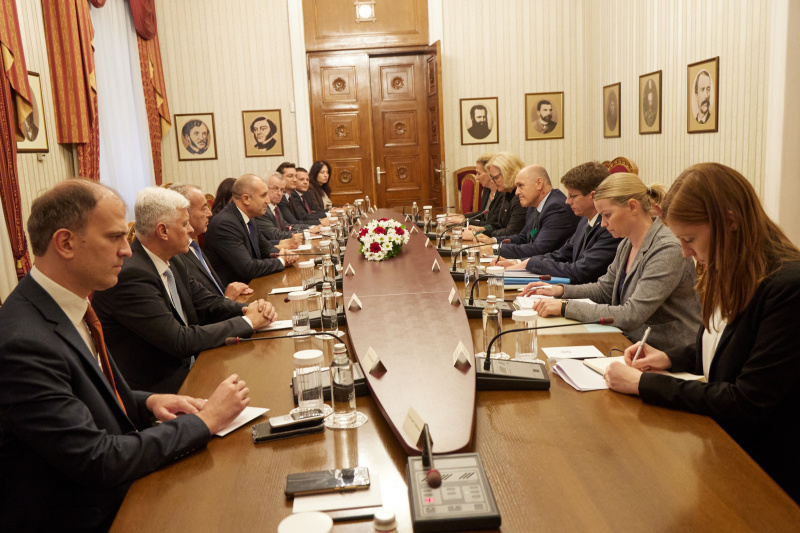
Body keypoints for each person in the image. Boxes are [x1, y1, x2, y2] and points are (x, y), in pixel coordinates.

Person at [0, 179, 250, 531]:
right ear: (66, 243)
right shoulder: (23, 342)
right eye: (115, 237)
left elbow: (87, 393)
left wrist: (147, 402)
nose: (127, 250)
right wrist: (205, 422)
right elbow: (98, 459)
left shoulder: (66, 305)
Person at [604, 163, 800, 504]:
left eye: (690, 239)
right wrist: (668, 357)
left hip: (766, 470)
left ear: (730, 222)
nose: (684, 252)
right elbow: (723, 346)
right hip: (721, 445)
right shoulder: (725, 265)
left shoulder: (787, 287)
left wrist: (643, 385)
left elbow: (747, 401)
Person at [92, 187, 276, 393]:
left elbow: (208, 302)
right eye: (184, 224)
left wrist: (249, 309)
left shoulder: (175, 259)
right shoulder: (130, 275)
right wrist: (249, 322)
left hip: (193, 367)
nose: (190, 230)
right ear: (163, 231)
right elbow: (180, 340)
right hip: (160, 390)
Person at [527, 172, 701, 355]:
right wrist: (560, 291)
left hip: (670, 354)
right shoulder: (627, 243)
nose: (602, 224)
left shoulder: (667, 249)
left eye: (607, 215)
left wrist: (565, 307)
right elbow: (605, 289)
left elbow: (631, 315)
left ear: (632, 206)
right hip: (632, 343)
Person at [506, 161, 622, 283]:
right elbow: (562, 255)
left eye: (573, 196)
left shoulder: (609, 228)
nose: (567, 201)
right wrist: (522, 262)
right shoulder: (584, 220)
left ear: (592, 196)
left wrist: (532, 263)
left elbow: (580, 272)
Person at [204, 174, 298, 285]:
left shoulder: (249, 217)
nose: (268, 201)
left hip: (254, 283)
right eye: (263, 196)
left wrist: (283, 254)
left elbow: (265, 249)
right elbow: (247, 268)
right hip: (237, 292)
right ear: (246, 199)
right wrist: (282, 261)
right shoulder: (225, 224)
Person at [169, 184, 254, 299]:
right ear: (185, 213)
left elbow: (210, 290)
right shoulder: (176, 253)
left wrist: (231, 291)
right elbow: (196, 305)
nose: (210, 213)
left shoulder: (193, 246)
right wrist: (227, 298)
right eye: (204, 208)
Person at [487, 164, 580, 259]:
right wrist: (492, 241)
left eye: (521, 186)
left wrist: (495, 249)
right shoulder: (534, 205)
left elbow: (538, 249)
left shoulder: (556, 208)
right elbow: (523, 237)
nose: (517, 192)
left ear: (539, 183)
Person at [464, 152, 527, 241]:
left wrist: (480, 234)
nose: (492, 182)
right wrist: (482, 229)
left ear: (509, 173)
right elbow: (499, 225)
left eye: (495, 178)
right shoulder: (507, 192)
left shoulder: (520, 197)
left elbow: (511, 232)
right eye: (491, 177)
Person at [255, 173, 316, 241]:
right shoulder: (261, 210)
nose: (279, 193)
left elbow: (286, 226)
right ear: (265, 188)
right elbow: (274, 234)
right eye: (275, 188)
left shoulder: (275, 207)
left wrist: (310, 228)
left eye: (281, 190)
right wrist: (305, 234)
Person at [448, 153, 501, 227]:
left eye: (479, 174)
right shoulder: (486, 190)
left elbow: (492, 224)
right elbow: (483, 214)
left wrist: (465, 221)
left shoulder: (503, 194)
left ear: (490, 174)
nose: (476, 177)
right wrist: (463, 216)